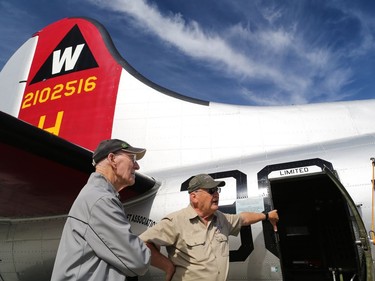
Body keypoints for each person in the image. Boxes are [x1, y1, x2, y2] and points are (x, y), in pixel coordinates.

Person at [139, 173, 279, 281]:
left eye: (217, 190)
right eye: (211, 191)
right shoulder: (176, 221)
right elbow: (142, 243)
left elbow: (243, 218)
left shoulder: (221, 218)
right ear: (194, 197)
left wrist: (266, 216)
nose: (216, 193)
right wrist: (167, 266)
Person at [51, 139, 151, 281]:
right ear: (112, 159)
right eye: (132, 158)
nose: (137, 166)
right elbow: (138, 261)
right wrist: (144, 247)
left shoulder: (98, 196)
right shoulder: (101, 200)